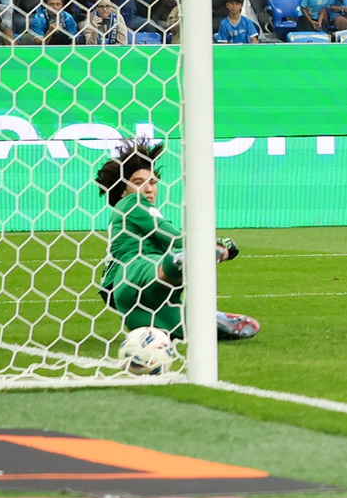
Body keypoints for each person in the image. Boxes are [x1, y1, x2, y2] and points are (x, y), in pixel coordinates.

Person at [93, 139, 257, 345]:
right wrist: (215, 245)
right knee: (164, 260)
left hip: (136, 301)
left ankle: (209, 319)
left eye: (152, 182)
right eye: (138, 182)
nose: (148, 189)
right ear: (122, 190)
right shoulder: (131, 203)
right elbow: (176, 238)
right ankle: (179, 263)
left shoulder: (126, 213)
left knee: (191, 330)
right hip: (134, 271)